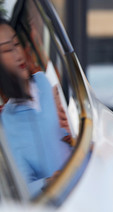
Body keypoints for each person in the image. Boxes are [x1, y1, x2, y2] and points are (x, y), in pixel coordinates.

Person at [0, 18, 71, 196]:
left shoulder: (48, 81)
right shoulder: (6, 125)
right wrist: (47, 183)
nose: (18, 54)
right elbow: (20, 188)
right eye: (7, 49)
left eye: (17, 43)